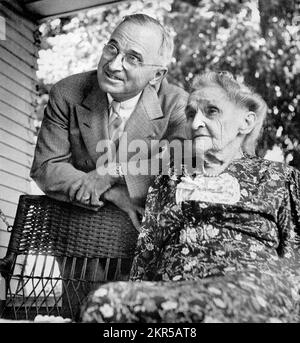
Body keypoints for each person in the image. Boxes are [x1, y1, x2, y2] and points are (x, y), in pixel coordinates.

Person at [80, 71, 300, 323]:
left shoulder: (278, 178)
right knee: (104, 302)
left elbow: (295, 265)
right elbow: (148, 254)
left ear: (246, 122)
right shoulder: (170, 178)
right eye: (191, 114)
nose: (196, 124)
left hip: (252, 293)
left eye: (212, 111)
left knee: (254, 292)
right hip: (170, 299)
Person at [30, 13, 188, 319]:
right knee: (81, 315)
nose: (114, 64)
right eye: (112, 49)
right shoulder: (67, 92)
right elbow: (47, 167)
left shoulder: (177, 105)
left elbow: (179, 165)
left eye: (132, 58)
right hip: (80, 237)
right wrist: (113, 193)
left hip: (143, 242)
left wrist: (111, 173)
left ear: (157, 76)